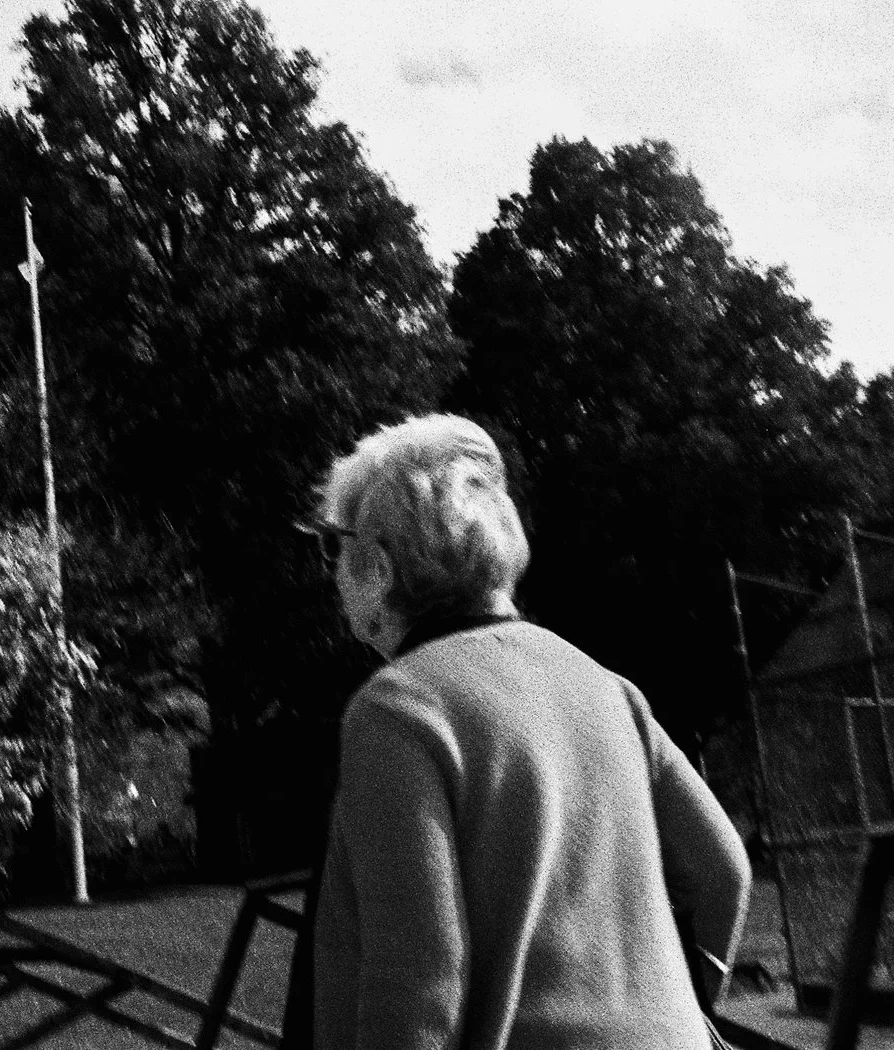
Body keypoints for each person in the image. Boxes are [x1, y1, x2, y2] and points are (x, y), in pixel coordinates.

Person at [308, 415, 749, 1050]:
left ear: (375, 565)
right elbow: (723, 870)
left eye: (332, 546)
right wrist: (682, 1004)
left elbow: (418, 979)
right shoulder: (605, 686)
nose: (330, 570)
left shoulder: (398, 711)